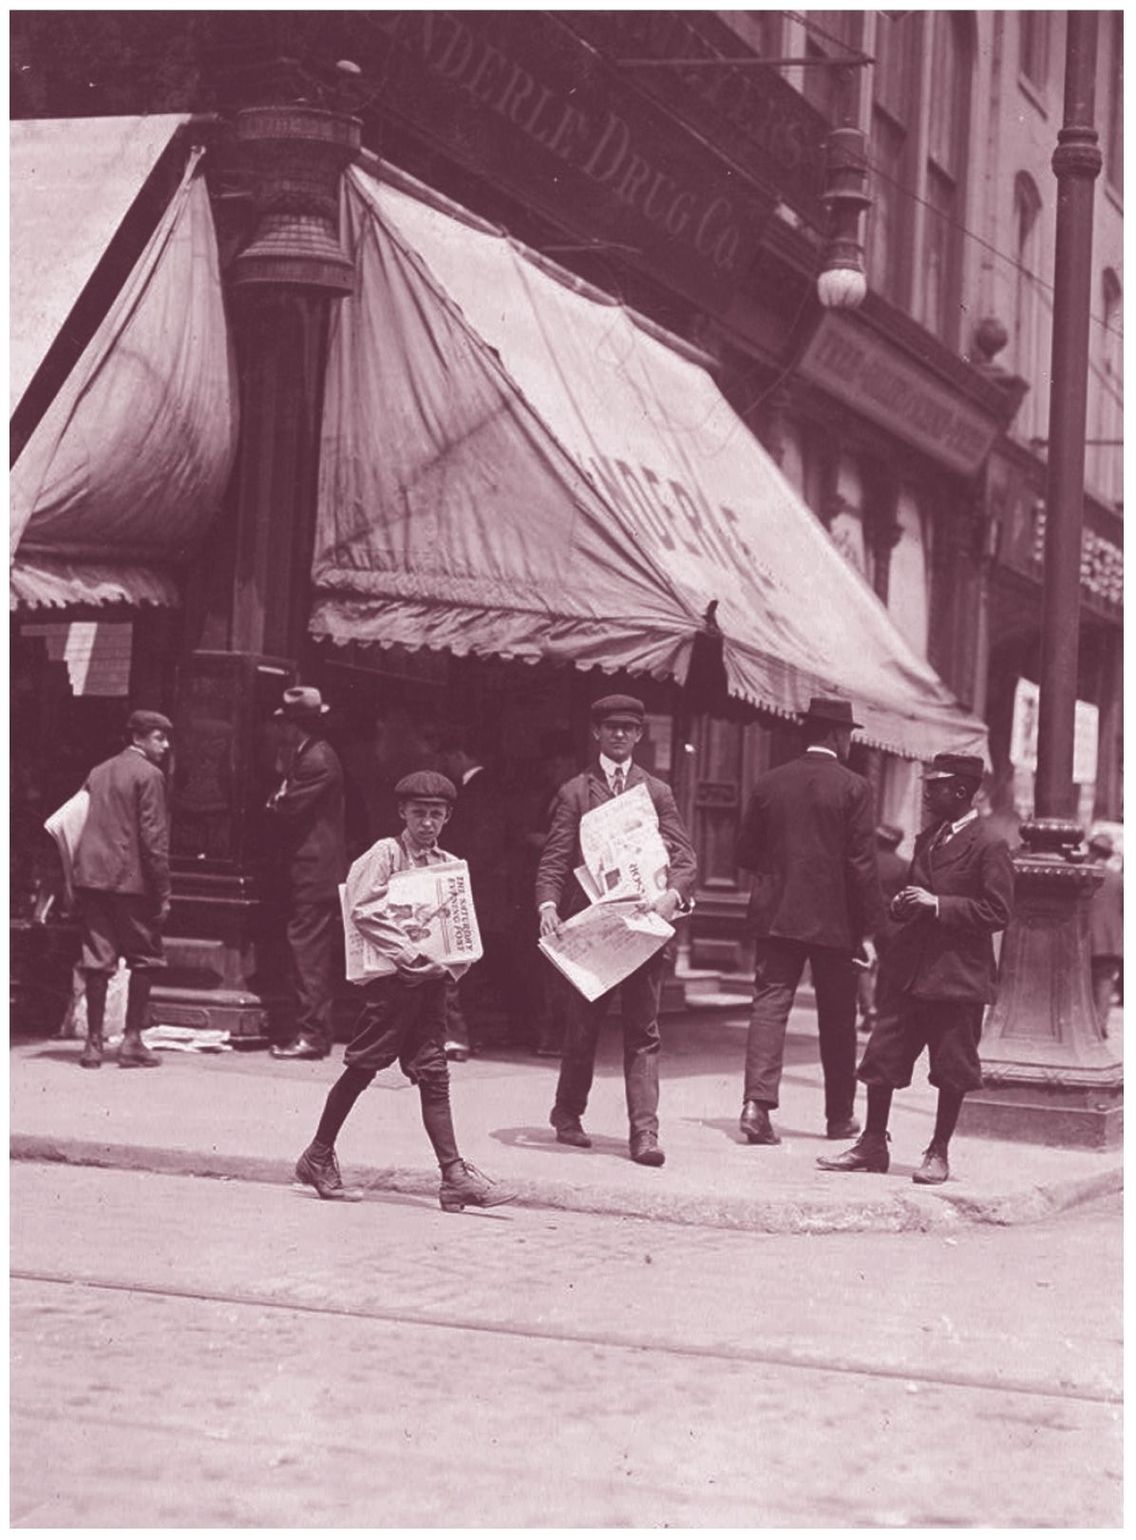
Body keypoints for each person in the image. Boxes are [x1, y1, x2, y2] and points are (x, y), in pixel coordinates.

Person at [292, 771, 516, 1211]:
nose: (427, 823)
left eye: (436, 814)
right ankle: (317, 1155)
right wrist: (410, 954)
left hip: (430, 986)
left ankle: (454, 1177)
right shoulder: (386, 854)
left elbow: (458, 928)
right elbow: (363, 910)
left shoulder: (445, 864)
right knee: (363, 1068)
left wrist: (452, 962)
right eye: (419, 814)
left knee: (434, 1073)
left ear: (448, 816)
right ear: (402, 813)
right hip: (393, 985)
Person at [819, 752, 1014, 1185]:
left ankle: (938, 1151)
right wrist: (903, 906)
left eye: (936, 786)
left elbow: (997, 911)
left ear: (961, 791)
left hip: (957, 976)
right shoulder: (930, 837)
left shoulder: (990, 843)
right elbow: (917, 894)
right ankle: (872, 1144)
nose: (927, 793)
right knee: (881, 1058)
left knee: (952, 1067)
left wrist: (939, 904)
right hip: (910, 971)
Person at [536, 693, 697, 1168]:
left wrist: (672, 896)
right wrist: (547, 903)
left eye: (629, 728)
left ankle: (644, 1134)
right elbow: (556, 857)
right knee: (583, 1026)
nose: (620, 735)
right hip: (594, 930)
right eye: (612, 728)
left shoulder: (658, 793)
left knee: (643, 1031)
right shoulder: (575, 792)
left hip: (645, 929)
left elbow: (685, 859)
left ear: (640, 736)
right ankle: (567, 1114)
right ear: (597, 733)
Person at [735, 696, 885, 1146]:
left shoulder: (768, 782)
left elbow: (744, 853)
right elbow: (862, 866)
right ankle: (838, 1117)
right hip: (834, 922)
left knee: (770, 1005)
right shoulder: (854, 787)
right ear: (840, 736)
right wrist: (869, 929)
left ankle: (756, 1106)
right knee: (837, 1018)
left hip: (777, 914)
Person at [71, 709, 173, 1069]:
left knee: (97, 960)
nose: (165, 745)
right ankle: (131, 1039)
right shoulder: (150, 775)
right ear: (138, 738)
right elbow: (154, 837)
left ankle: (93, 1043)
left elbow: (76, 819)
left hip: (92, 879)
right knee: (145, 957)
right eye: (159, 737)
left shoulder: (98, 772)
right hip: (132, 884)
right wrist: (162, 891)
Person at [267, 687, 347, 1061]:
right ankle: (312, 1031)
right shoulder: (310, 754)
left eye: (282, 723)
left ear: (293, 726)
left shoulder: (316, 759)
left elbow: (286, 807)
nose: (278, 730)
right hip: (311, 871)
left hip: (313, 873)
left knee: (308, 953)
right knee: (308, 950)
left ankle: (312, 1036)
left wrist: (278, 798)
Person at [438, 730, 523, 1057]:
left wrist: (457, 874)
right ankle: (516, 1029)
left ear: (458, 755)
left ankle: (463, 1036)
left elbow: (482, 843)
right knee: (494, 964)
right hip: (490, 890)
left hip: (479, 889)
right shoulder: (490, 786)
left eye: (446, 756)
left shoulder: (479, 790)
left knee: (468, 965)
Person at [857, 823, 908, 1034]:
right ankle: (880, 1010)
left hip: (865, 920)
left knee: (863, 965)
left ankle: (868, 1007)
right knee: (887, 968)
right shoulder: (904, 867)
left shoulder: (866, 862)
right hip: (892, 925)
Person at [1087, 831, 1122, 1036]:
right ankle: (1101, 1023)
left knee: (1088, 982)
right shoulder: (1118, 879)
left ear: (1092, 850)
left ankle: (1091, 1023)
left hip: (1089, 939)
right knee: (1106, 981)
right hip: (1112, 941)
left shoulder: (1087, 874)